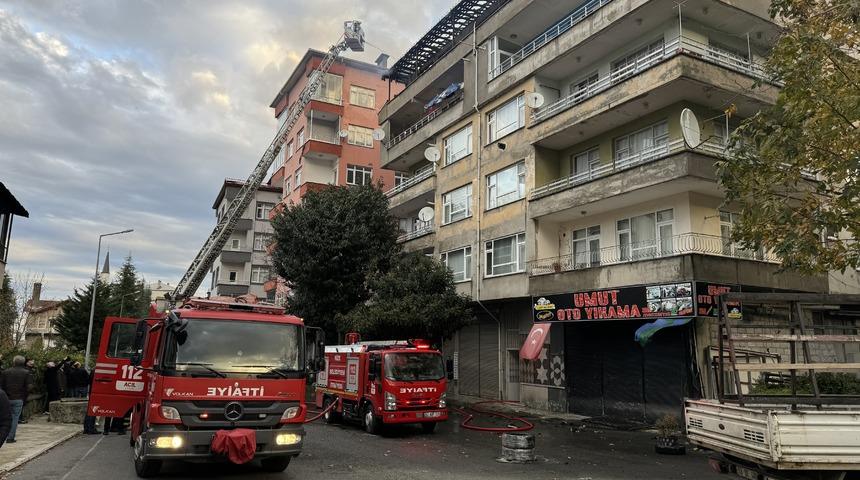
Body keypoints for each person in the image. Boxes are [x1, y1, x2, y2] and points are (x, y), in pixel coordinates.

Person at [0, 356, 34, 443]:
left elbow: (1, 385)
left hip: (6, 398)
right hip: (18, 398)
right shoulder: (26, 372)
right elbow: (30, 387)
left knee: (4, 417)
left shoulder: (5, 372)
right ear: (23, 363)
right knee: (15, 418)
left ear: (13, 362)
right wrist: (24, 394)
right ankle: (10, 437)